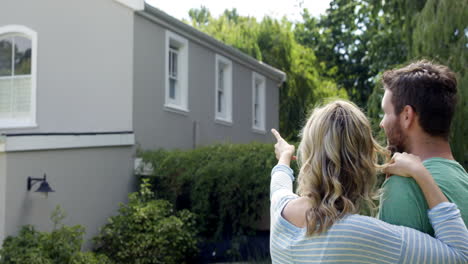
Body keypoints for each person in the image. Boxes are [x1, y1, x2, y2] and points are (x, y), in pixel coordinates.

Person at [269, 100, 467, 264]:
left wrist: (284, 155)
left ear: (308, 153)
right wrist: (421, 173)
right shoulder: (361, 234)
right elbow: (460, 255)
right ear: (362, 160)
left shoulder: (280, 210)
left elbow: (279, 183)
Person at [378, 60, 468, 235]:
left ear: (406, 116)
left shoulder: (402, 186)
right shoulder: (463, 181)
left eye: (386, 113)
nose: (382, 123)